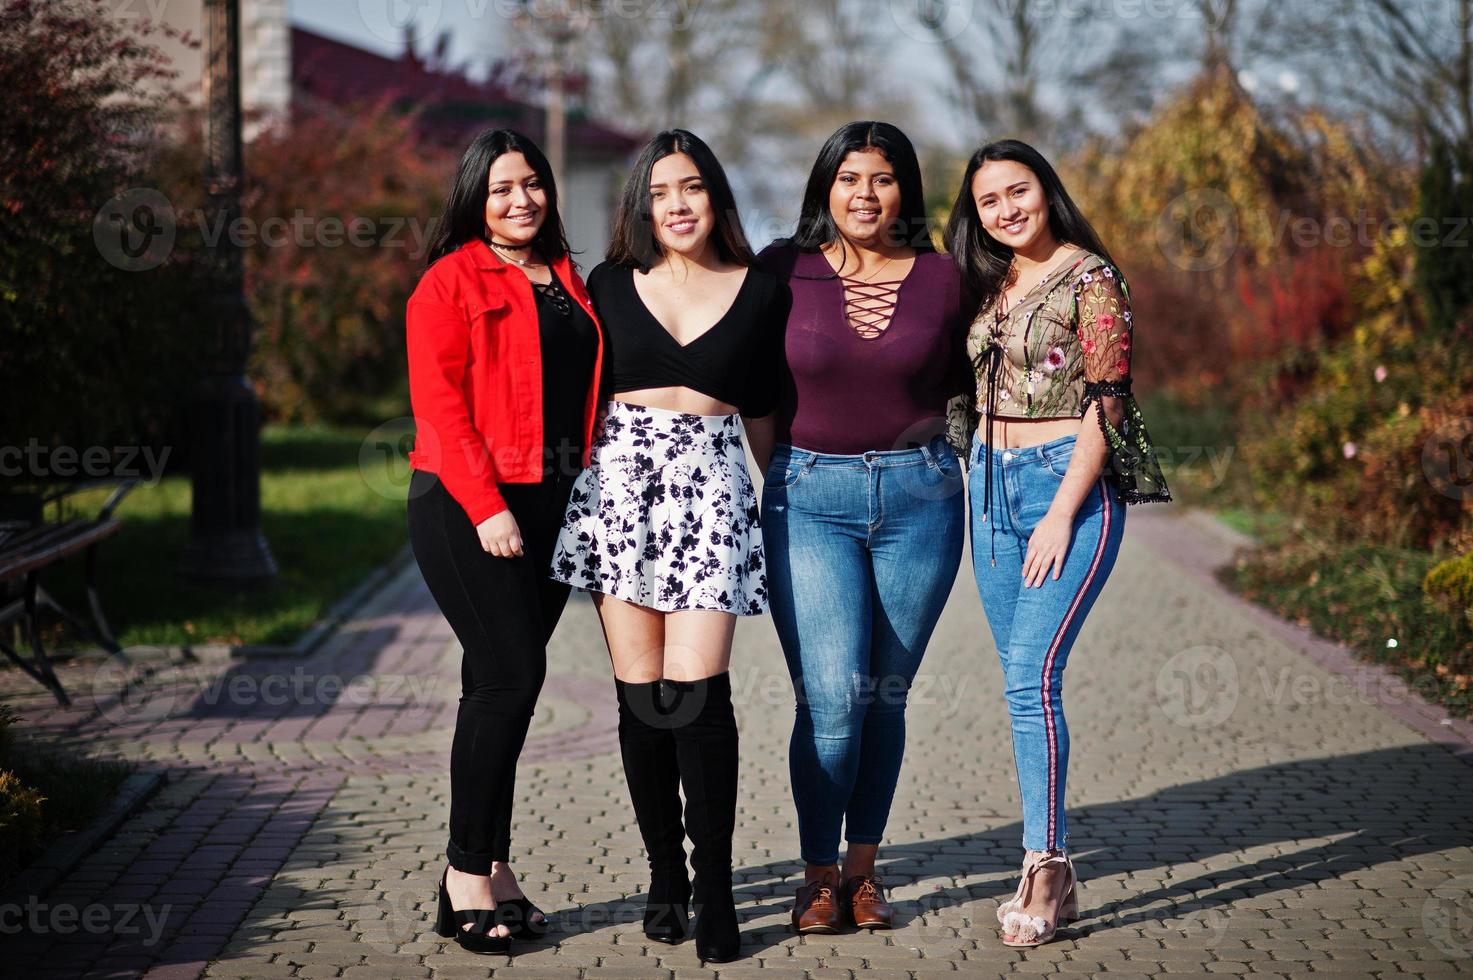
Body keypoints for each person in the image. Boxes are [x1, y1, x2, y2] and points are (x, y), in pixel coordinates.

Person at [550, 129, 786, 963]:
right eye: (658, 192)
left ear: (715, 195)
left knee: (699, 699)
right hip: (622, 494)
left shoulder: (761, 289)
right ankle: (663, 879)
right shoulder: (609, 284)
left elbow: (763, 407)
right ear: (640, 206)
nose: (676, 204)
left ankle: (715, 889)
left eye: (689, 187)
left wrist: (785, 506)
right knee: (641, 700)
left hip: (713, 492)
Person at [944, 138, 1171, 948]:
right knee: (1020, 683)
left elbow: (1107, 404)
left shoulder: (1091, 277)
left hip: (1061, 491)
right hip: (989, 490)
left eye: (1019, 192)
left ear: (1047, 191)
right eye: (988, 201)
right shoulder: (991, 283)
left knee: (1030, 675)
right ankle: (1051, 862)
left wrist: (1061, 511)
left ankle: (1046, 866)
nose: (1006, 210)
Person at [748, 121, 969, 935]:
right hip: (807, 498)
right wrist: (776, 481)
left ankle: (863, 874)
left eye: (880, 179)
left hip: (921, 499)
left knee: (884, 699)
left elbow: (983, 371)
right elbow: (755, 389)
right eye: (847, 178)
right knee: (832, 698)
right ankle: (813, 875)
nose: (863, 195)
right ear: (823, 186)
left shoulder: (945, 278)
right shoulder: (781, 269)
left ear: (904, 189)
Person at [405, 129, 604, 954]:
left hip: (556, 506)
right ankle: (461, 876)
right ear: (473, 200)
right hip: (470, 507)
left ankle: (492, 866)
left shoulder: (567, 278)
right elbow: (441, 409)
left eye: (531, 184)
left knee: (496, 687)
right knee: (513, 679)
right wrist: (489, 509)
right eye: (500, 189)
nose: (520, 200)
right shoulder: (448, 282)